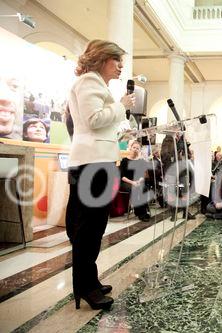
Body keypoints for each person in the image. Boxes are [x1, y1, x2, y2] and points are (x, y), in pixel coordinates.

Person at [65, 40, 135, 310]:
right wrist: (120, 106)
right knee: (88, 229)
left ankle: (90, 282)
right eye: (116, 60)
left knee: (94, 227)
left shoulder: (96, 84)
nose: (120, 66)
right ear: (102, 59)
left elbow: (96, 126)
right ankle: (84, 288)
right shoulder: (88, 83)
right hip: (92, 164)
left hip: (98, 161)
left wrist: (120, 131)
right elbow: (93, 120)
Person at [119, 141, 151, 221]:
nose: (135, 149)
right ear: (130, 148)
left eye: (137, 148)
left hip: (137, 182)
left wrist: (139, 181)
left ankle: (141, 211)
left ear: (139, 150)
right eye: (134, 147)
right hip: (126, 182)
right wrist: (132, 182)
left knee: (143, 188)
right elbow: (122, 176)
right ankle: (141, 213)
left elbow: (142, 175)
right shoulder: (124, 161)